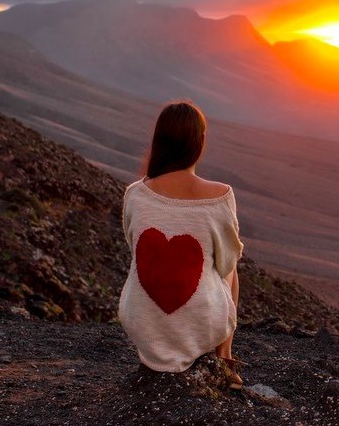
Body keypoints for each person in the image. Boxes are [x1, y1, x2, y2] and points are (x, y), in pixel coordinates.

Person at [117, 101, 246, 387]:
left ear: (159, 141)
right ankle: (224, 358)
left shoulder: (135, 194)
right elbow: (226, 262)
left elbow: (134, 247)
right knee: (230, 266)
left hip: (139, 320)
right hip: (203, 325)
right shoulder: (220, 196)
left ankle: (157, 343)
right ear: (200, 141)